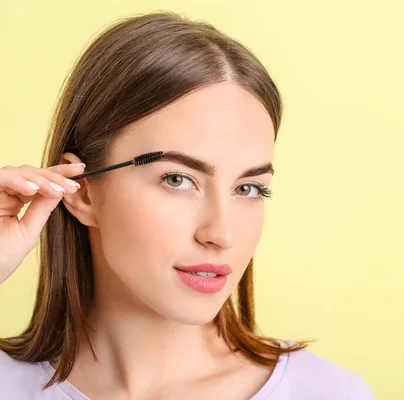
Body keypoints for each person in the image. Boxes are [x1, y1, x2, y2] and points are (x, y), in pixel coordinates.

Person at [0, 12, 374, 400]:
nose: (222, 234)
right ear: (81, 191)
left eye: (248, 188)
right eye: (178, 180)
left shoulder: (329, 393)